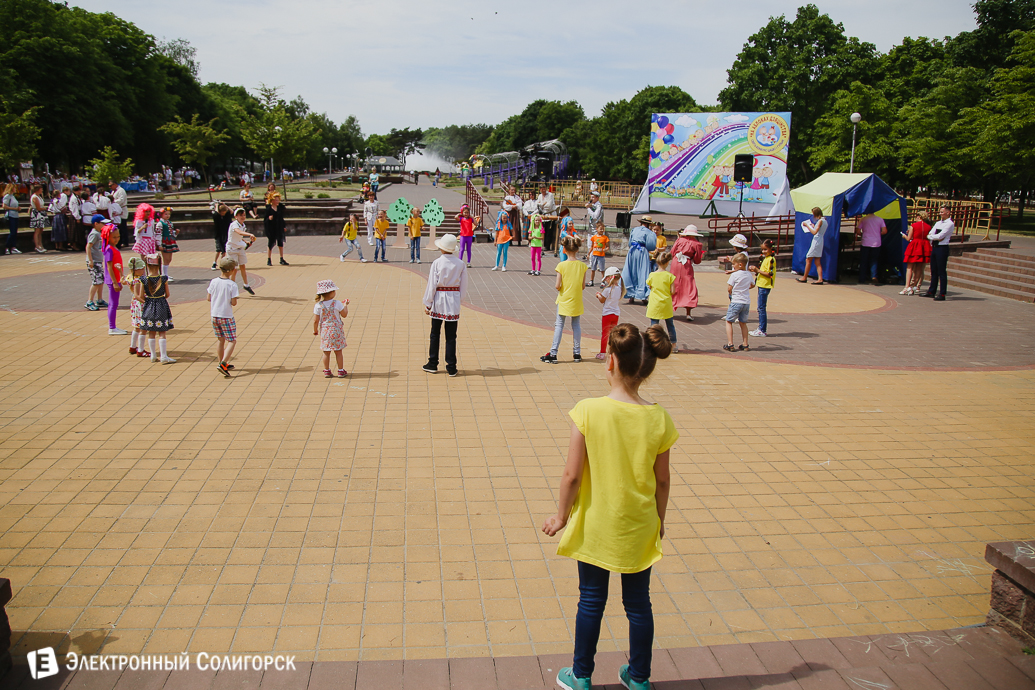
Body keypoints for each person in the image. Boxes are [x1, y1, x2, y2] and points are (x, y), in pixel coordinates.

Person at [541, 322, 677, 690]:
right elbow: (662, 480)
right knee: (638, 604)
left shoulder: (587, 411)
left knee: (591, 601)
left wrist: (561, 516)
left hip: (597, 524)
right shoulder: (658, 418)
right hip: (639, 523)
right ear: (645, 369)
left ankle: (581, 676)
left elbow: (571, 475)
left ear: (610, 362)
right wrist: (659, 519)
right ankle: (639, 677)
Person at [421, 234, 468, 377]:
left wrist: (428, 303)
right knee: (451, 335)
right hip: (453, 299)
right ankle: (451, 366)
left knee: (435, 333)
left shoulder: (437, 262)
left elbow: (432, 285)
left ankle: (433, 363)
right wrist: (459, 300)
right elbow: (464, 286)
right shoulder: (460, 264)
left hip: (439, 299)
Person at [541, 235, 587, 364]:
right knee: (576, 325)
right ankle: (577, 353)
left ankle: (553, 353)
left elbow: (557, 285)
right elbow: (583, 286)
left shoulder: (561, 265)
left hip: (564, 298)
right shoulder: (582, 266)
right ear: (577, 249)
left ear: (564, 250)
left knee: (559, 325)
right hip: (576, 298)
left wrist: (562, 288)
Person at [137, 254, 175, 364]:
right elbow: (167, 294)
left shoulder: (143, 279)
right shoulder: (163, 279)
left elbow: (141, 296)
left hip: (149, 305)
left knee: (151, 331)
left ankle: (153, 355)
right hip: (161, 304)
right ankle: (164, 356)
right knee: (162, 332)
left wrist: (149, 300)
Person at [209, 257, 240, 377]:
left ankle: (221, 362)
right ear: (232, 270)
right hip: (226, 316)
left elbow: (208, 297)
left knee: (220, 340)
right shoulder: (232, 285)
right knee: (232, 340)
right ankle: (223, 363)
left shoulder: (213, 281)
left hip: (214, 314)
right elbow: (234, 302)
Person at [313, 279, 350, 378]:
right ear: (332, 292)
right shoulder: (337, 303)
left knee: (326, 352)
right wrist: (345, 305)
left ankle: (327, 370)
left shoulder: (318, 306)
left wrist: (315, 330)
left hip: (325, 330)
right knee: (338, 351)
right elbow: (344, 315)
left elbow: (316, 320)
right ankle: (341, 370)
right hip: (336, 330)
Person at [670, 225, 705, 321]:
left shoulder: (679, 240)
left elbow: (672, 252)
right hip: (687, 264)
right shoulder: (697, 244)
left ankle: (670, 309)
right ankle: (688, 313)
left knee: (674, 284)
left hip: (676, 262)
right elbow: (697, 260)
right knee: (688, 286)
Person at [621, 217, 657, 305]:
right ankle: (642, 295)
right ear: (648, 224)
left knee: (631, 271)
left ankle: (631, 295)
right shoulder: (649, 232)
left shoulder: (634, 230)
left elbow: (630, 243)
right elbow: (651, 246)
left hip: (632, 251)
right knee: (643, 272)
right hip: (642, 251)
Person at [646, 250, 678, 349]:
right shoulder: (670, 276)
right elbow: (672, 291)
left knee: (654, 325)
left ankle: (652, 343)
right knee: (670, 325)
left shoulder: (652, 275)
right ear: (667, 262)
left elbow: (650, 286)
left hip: (655, 303)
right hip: (666, 303)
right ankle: (673, 344)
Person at [723, 253, 754, 352]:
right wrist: (746, 288)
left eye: (734, 264)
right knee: (743, 323)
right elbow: (753, 285)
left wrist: (731, 292)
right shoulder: (749, 274)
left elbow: (729, 288)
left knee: (729, 321)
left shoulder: (734, 275)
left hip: (736, 300)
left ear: (740, 264)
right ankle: (745, 344)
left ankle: (730, 343)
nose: (733, 266)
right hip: (746, 302)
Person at [101, 223, 127, 335]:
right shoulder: (109, 249)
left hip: (116, 279)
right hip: (113, 280)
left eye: (118, 237)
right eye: (114, 237)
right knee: (113, 304)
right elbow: (109, 267)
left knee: (114, 303)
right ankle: (112, 327)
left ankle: (113, 326)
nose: (117, 239)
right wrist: (114, 282)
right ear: (108, 237)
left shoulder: (113, 248)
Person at [924, 205, 954, 301]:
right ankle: (931, 291)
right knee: (934, 270)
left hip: (942, 247)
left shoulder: (949, 224)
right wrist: (933, 237)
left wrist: (933, 237)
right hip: (935, 247)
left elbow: (941, 236)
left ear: (948, 212)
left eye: (942, 212)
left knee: (941, 271)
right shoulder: (938, 223)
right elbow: (930, 234)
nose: (940, 213)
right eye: (940, 211)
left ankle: (942, 293)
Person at [594, 267, 624, 360]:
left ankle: (602, 353)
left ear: (609, 278)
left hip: (607, 314)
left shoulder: (607, 289)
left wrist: (598, 295)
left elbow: (602, 300)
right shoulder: (620, 289)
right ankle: (613, 352)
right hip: (616, 314)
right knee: (613, 333)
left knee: (605, 334)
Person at [226, 208, 257, 294]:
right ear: (236, 217)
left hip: (239, 248)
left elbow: (239, 236)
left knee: (242, 266)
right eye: (240, 215)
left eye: (244, 215)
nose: (243, 217)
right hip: (232, 249)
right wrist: (250, 234)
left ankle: (246, 285)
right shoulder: (234, 225)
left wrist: (245, 241)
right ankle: (231, 288)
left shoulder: (243, 225)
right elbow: (238, 232)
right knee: (234, 269)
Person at [749, 239, 776, 338]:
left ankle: (762, 329)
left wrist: (757, 270)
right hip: (762, 285)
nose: (764, 251)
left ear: (770, 249)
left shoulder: (770, 260)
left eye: (765, 249)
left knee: (761, 308)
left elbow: (769, 274)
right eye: (762, 250)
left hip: (765, 286)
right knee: (760, 307)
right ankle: (761, 328)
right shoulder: (766, 259)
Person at [901, 212, 932, 295]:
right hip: (924, 246)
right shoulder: (928, 227)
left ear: (919, 217)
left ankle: (907, 286)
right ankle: (914, 286)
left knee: (909, 267)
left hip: (915, 246)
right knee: (919, 268)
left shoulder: (913, 225)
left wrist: (904, 236)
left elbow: (909, 238)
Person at [855, 211, 887, 285]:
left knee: (864, 261)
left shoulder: (863, 219)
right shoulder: (880, 219)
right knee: (874, 260)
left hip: (866, 241)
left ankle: (862, 278)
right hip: (876, 242)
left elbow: (858, 231)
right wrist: (878, 233)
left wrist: (863, 234)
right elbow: (885, 231)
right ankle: (874, 276)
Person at [124, 257, 147, 357]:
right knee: (143, 327)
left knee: (136, 327)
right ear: (135, 269)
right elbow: (139, 295)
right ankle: (141, 350)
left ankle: (133, 346)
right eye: (141, 269)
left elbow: (123, 281)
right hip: (140, 304)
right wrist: (146, 301)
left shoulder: (129, 277)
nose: (143, 271)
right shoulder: (138, 280)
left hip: (134, 303)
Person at [85, 215, 108, 311]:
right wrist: (90, 260)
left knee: (101, 280)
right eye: (102, 223)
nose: (104, 225)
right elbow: (88, 247)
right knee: (96, 281)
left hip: (98, 260)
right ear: (96, 224)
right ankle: (89, 301)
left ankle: (99, 299)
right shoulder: (94, 234)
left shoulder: (99, 233)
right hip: (94, 261)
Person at [799, 207, 827, 285]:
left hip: (816, 241)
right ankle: (820, 279)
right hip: (820, 240)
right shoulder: (824, 221)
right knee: (817, 261)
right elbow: (818, 230)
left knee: (808, 259)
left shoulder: (820, 221)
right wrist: (813, 225)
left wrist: (808, 225)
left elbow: (814, 232)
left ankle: (804, 277)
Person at [264, 192, 289, 266]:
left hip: (279, 227)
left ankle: (281, 258)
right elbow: (265, 219)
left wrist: (284, 226)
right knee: (271, 243)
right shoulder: (268, 209)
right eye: (276, 200)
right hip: (272, 228)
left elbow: (281, 218)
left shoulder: (279, 208)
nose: (277, 201)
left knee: (280, 243)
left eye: (278, 200)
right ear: (272, 201)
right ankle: (269, 259)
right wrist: (269, 218)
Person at [157, 207, 178, 281]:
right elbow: (158, 234)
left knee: (169, 259)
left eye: (169, 214)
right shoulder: (160, 223)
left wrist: (176, 233)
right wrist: (159, 245)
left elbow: (171, 232)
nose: (167, 216)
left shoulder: (169, 223)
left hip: (170, 241)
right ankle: (164, 275)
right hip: (164, 241)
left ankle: (165, 274)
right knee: (166, 259)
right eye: (165, 214)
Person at [536, 184, 557, 251]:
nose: (543, 190)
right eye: (541, 189)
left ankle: (547, 246)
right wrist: (542, 204)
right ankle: (542, 244)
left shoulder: (550, 195)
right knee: (542, 231)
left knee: (549, 231)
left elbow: (549, 206)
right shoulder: (540, 196)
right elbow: (537, 205)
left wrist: (541, 204)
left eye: (544, 188)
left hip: (550, 215)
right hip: (543, 215)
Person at [491, 206, 512, 271]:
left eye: (506, 218)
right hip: (499, 240)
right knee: (498, 253)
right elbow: (496, 233)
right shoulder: (499, 224)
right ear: (501, 218)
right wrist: (495, 240)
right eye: (503, 218)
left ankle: (504, 266)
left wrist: (512, 236)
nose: (504, 219)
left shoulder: (508, 224)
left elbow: (512, 229)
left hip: (506, 240)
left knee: (505, 253)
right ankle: (496, 265)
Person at [2, 183, 21, 254]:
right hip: (10, 215)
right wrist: (14, 208)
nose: (15, 189)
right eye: (14, 188)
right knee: (12, 232)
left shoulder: (13, 196)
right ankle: (7, 247)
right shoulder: (7, 196)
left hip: (15, 215)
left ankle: (13, 247)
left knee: (15, 232)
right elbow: (4, 206)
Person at [212, 203, 231, 269]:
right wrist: (217, 206)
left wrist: (225, 205)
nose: (223, 214)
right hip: (218, 235)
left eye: (224, 212)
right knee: (218, 250)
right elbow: (215, 213)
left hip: (226, 235)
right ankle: (214, 262)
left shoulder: (226, 216)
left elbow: (231, 211)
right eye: (222, 213)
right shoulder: (217, 217)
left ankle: (222, 264)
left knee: (224, 251)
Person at [29, 184, 47, 253]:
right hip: (37, 214)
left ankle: (41, 245)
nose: (42, 190)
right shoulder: (34, 197)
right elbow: (38, 208)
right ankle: (37, 246)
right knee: (37, 230)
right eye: (41, 189)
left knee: (41, 230)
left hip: (41, 214)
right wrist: (44, 209)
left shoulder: (39, 196)